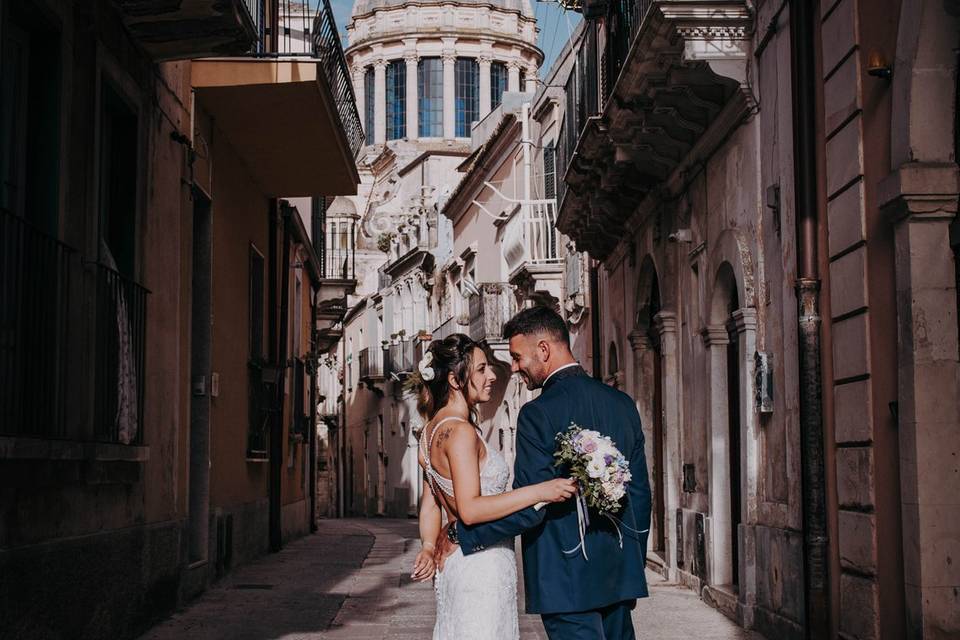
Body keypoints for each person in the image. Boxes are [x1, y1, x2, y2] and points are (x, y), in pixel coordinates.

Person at [435, 306, 652, 640]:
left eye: (519, 357)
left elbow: (532, 507)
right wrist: (631, 564)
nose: (514, 367)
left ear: (544, 350)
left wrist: (462, 535)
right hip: (619, 577)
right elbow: (640, 495)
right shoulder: (622, 404)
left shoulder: (538, 414)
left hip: (564, 578)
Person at [410, 333, 577, 640]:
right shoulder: (460, 432)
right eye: (481, 369)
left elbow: (430, 504)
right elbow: (470, 509)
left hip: (457, 565)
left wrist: (429, 546)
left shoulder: (429, 433)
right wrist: (541, 491)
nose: (492, 375)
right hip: (481, 567)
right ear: (455, 380)